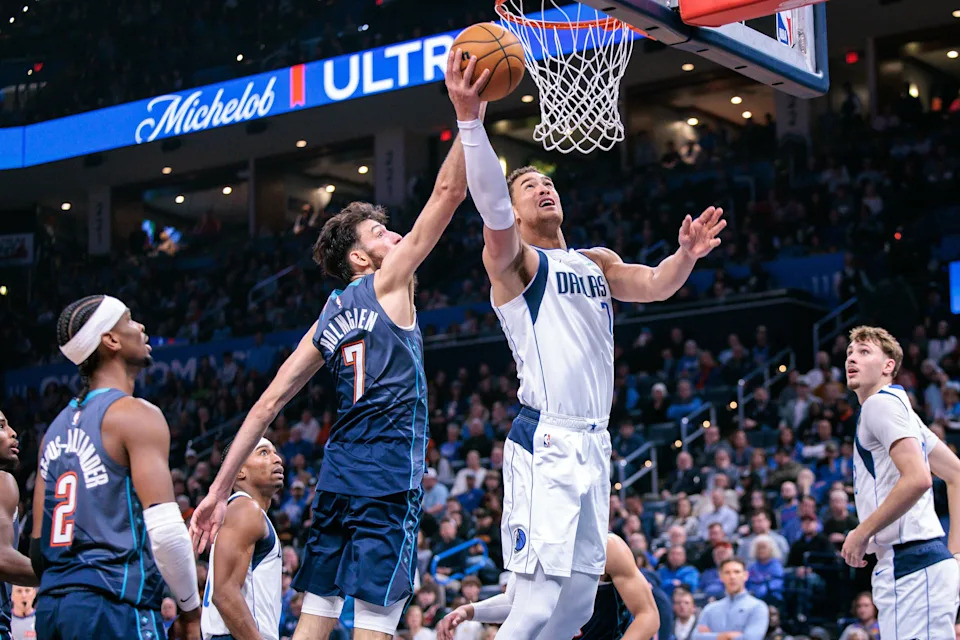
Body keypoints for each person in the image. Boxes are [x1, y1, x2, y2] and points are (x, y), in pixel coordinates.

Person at [191, 50, 480, 640]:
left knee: (316, 616)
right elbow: (449, 193)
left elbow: (267, 405)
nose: (394, 236)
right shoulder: (389, 281)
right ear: (359, 257)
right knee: (375, 621)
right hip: (387, 477)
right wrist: (469, 115)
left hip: (337, 478)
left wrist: (217, 492)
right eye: (380, 233)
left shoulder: (327, 316)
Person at [447, 54, 724, 640]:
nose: (543, 188)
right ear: (514, 210)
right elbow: (491, 208)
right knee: (534, 603)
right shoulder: (517, 265)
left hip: (595, 441)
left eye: (548, 182)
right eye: (529, 186)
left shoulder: (595, 261)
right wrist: (470, 120)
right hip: (545, 437)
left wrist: (686, 256)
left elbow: (656, 284)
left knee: (574, 607)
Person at [33, 296, 201, 640]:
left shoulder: (52, 432)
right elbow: (167, 533)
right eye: (129, 320)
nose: (140, 327)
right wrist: (190, 609)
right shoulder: (135, 414)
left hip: (52, 609)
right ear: (110, 339)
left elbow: (38, 552)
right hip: (113, 604)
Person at [842, 325, 960, 639]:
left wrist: (861, 532)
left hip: (912, 563)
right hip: (918, 565)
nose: (851, 358)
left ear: (888, 365)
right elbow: (956, 475)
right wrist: (956, 554)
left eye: (864, 352)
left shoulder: (879, 404)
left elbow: (919, 479)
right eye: (850, 353)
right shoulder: (903, 412)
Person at [436, 533, 660, 640]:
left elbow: (648, 615)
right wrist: (467, 611)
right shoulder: (534, 543)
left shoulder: (606, 547)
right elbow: (516, 602)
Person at [201, 438, 285, 640]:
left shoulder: (243, 511)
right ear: (239, 471)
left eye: (275, 452)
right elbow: (224, 594)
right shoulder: (245, 509)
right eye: (263, 452)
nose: (277, 459)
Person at [0, 411, 37, 640]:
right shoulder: (2, 481)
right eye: (1, 426)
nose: (13, 433)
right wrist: (61, 575)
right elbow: (2, 559)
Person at [692, 558, 769, 640]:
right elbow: (696, 637)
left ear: (745, 575)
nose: (732, 576)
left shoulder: (758, 607)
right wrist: (726, 636)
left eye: (737, 572)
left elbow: (751, 638)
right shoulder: (710, 609)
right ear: (721, 576)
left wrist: (710, 636)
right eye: (727, 572)